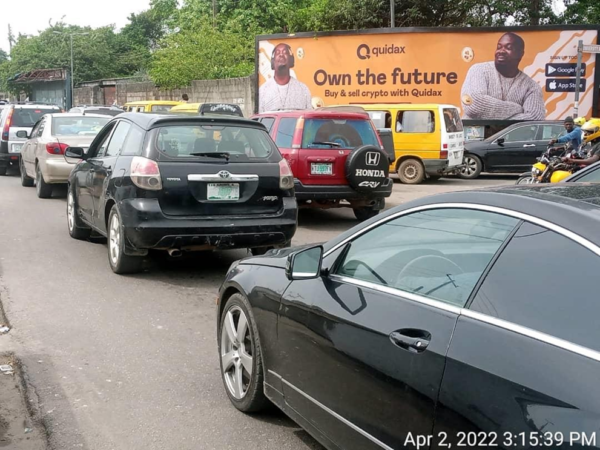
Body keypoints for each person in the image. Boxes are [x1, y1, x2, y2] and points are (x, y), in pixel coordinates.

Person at [461, 32, 545, 120]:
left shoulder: (531, 86)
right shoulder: (479, 70)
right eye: (499, 47)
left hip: (511, 134)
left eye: (508, 47)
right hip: (475, 133)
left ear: (521, 54)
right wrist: (518, 109)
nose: (501, 51)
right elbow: (474, 105)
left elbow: (535, 118)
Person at [259, 43, 312, 113]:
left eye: (285, 52)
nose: (281, 55)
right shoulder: (263, 91)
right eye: (278, 53)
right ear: (272, 61)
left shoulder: (303, 89)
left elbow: (309, 119)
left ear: (291, 60)